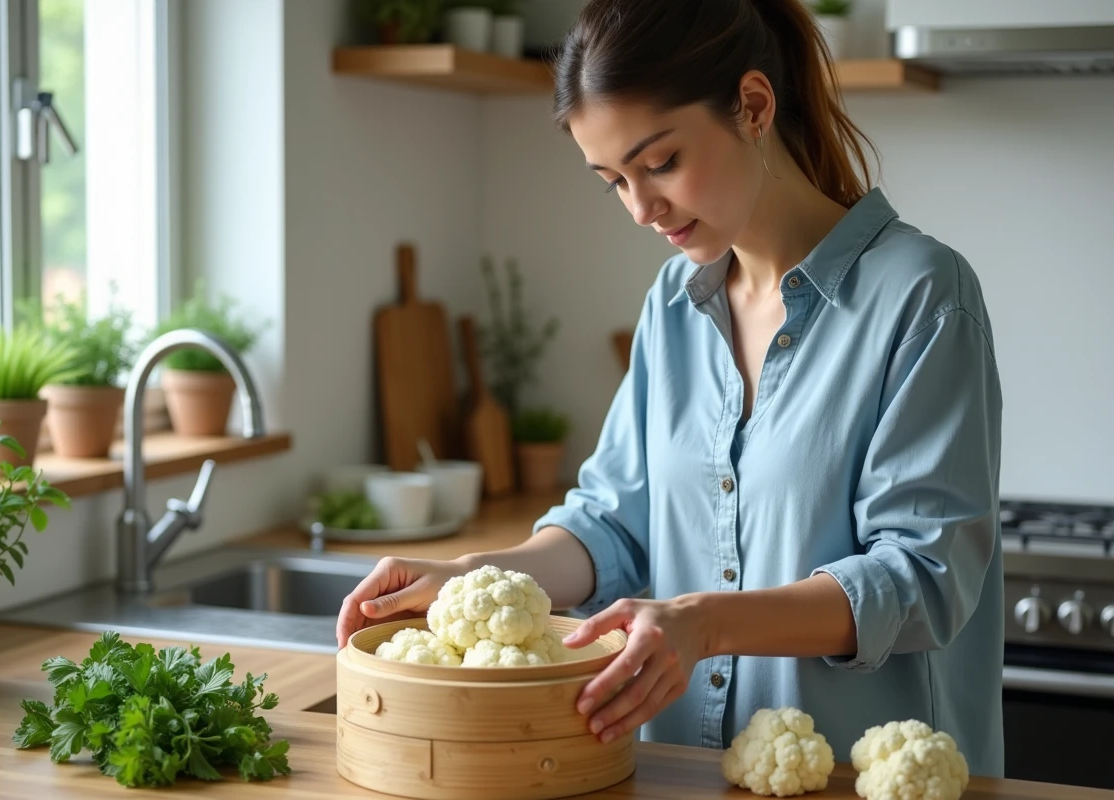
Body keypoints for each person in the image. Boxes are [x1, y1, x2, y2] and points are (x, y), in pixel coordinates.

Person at [337, 0, 1004, 777]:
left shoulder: (922, 294)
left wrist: (703, 624)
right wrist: (472, 578)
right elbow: (614, 525)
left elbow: (923, 577)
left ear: (753, 106)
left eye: (659, 163)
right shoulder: (675, 303)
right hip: (682, 776)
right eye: (613, 180)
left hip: (857, 784)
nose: (640, 208)